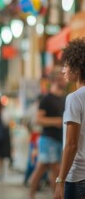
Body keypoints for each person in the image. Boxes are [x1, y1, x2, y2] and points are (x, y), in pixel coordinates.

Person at [54, 39, 85, 199]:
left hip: (77, 176)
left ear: (77, 69)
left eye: (66, 65)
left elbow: (71, 144)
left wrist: (60, 180)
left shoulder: (74, 98)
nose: (63, 70)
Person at [29, 68, 66, 199]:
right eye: (62, 78)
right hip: (48, 139)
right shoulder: (47, 99)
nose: (65, 80)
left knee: (46, 170)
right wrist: (56, 121)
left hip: (59, 139)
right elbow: (38, 119)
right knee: (55, 171)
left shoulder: (64, 98)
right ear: (55, 80)